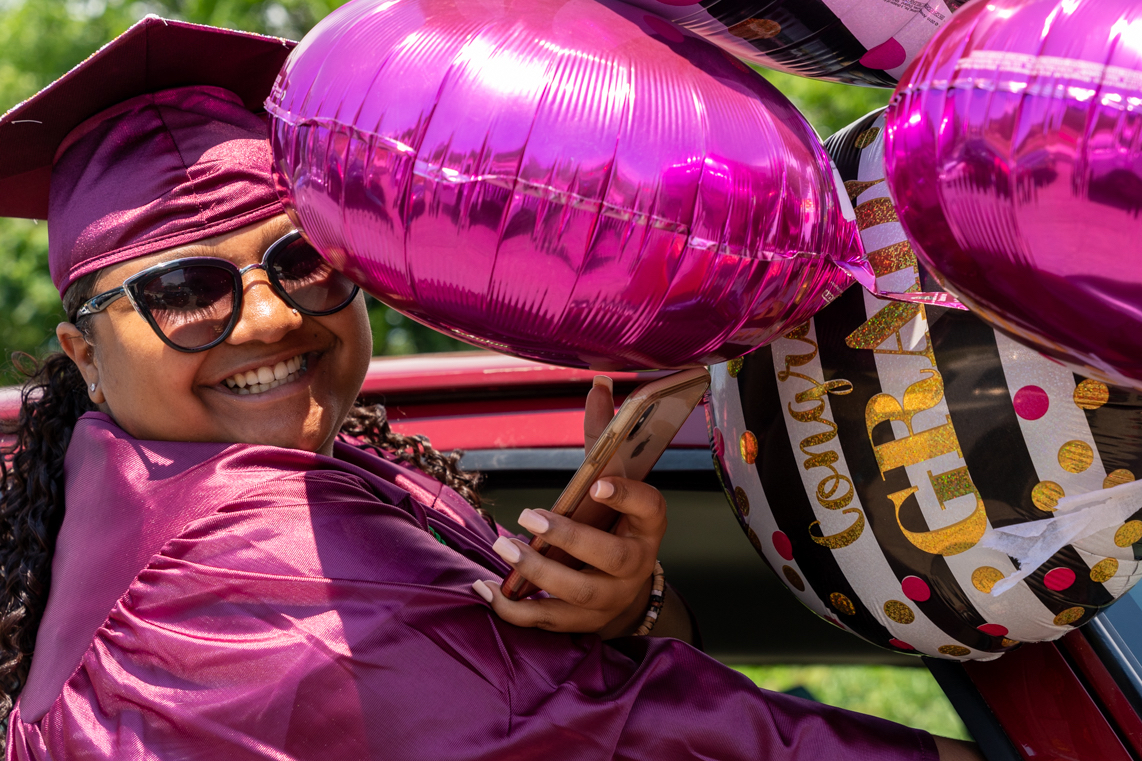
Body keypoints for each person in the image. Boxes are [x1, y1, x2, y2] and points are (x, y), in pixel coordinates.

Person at [0, 16, 980, 761]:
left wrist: (623, 610)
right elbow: (628, 736)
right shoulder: (244, 549)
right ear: (84, 353)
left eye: (304, 260)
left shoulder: (173, 486)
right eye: (184, 293)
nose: (266, 317)